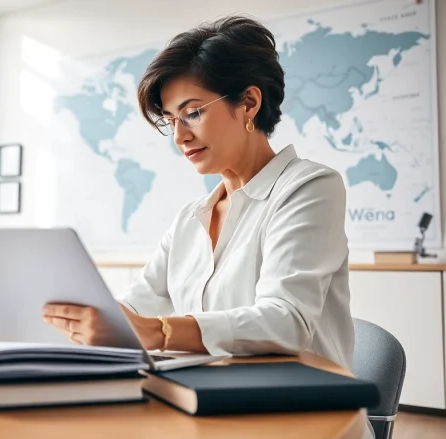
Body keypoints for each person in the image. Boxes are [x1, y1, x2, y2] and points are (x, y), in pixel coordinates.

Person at [42, 15, 354, 373]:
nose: (179, 137)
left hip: (304, 399)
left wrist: (158, 332)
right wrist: (83, 320)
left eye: (192, 113)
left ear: (249, 103)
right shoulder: (191, 219)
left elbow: (287, 320)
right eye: (170, 121)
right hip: (213, 392)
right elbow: (137, 305)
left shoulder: (309, 187)